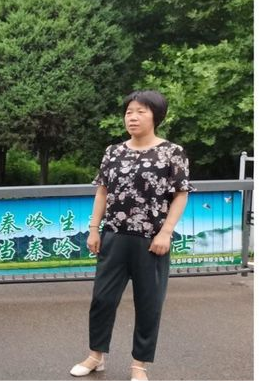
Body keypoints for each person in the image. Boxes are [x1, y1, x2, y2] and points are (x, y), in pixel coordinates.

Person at [70, 90, 193, 381]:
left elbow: (181, 194)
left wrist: (166, 232)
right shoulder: (113, 152)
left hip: (151, 241)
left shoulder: (172, 152)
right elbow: (102, 191)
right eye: (129, 112)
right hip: (113, 237)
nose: (132, 117)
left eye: (140, 111)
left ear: (156, 116)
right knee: (102, 299)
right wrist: (94, 229)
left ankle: (139, 365)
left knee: (149, 303)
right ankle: (96, 356)